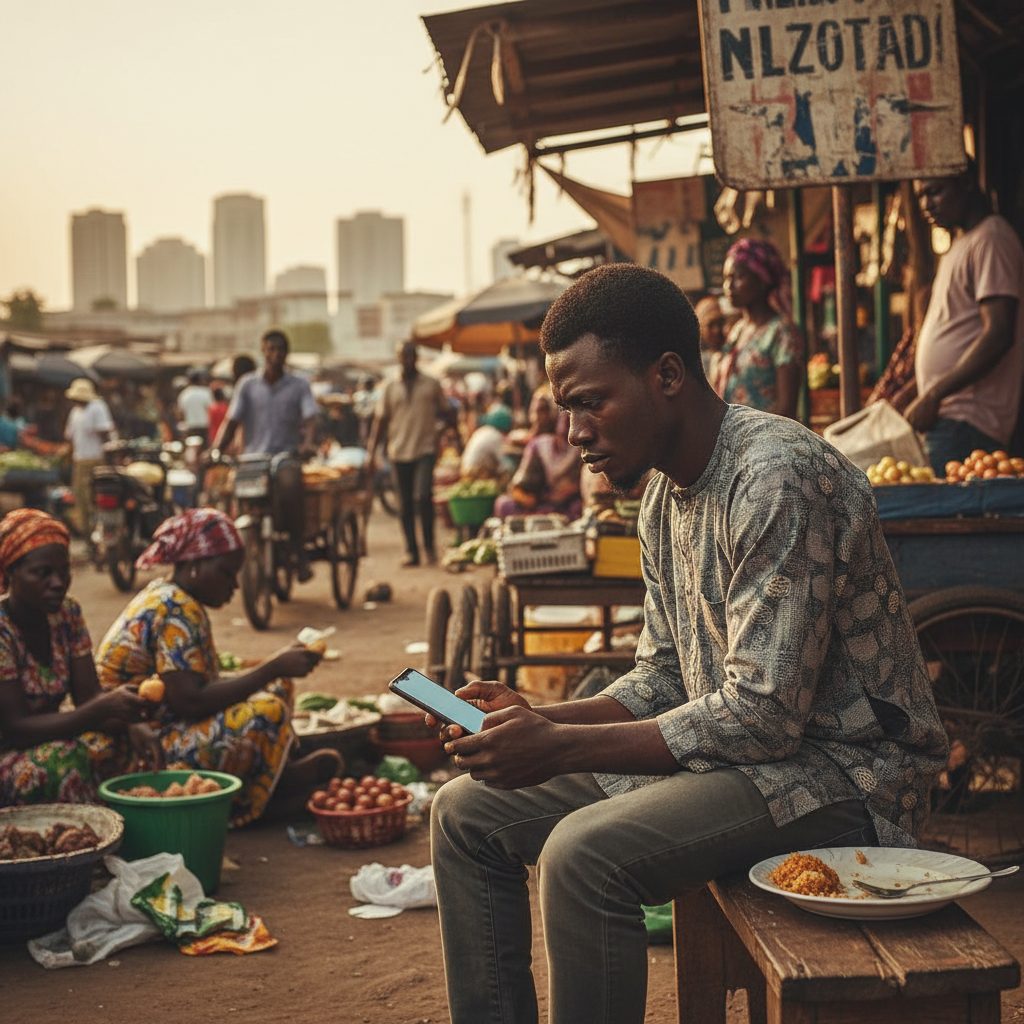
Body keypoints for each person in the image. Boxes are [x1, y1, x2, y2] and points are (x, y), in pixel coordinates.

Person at [429, 263, 949, 1024]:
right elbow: (663, 676)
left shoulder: (774, 478)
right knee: (462, 814)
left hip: (849, 776)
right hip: (749, 758)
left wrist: (560, 748)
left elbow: (763, 717)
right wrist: (540, 722)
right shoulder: (662, 500)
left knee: (583, 857)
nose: (574, 433)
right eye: (565, 410)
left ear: (667, 374)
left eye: (590, 403)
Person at [95, 508, 336, 826]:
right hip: (137, 748)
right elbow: (190, 702)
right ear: (194, 566)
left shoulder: (168, 594)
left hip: (157, 724)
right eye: (226, 572)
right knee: (268, 710)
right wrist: (271, 668)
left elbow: (191, 688)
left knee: (277, 688)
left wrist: (273, 672)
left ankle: (276, 775)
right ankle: (252, 802)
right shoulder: (175, 608)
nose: (234, 586)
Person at [0, 509, 155, 806]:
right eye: (43, 573)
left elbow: (88, 696)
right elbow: (16, 729)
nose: (58, 582)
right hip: (11, 752)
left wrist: (130, 721)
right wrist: (101, 710)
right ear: (10, 574)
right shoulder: (3, 629)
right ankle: (87, 839)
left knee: (124, 744)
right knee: (63, 758)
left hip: (50, 740)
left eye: (63, 571)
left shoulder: (67, 613)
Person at [904, 167, 1024, 473]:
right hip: (948, 420)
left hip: (967, 424)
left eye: (935, 191)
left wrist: (933, 394)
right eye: (920, 195)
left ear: (966, 183)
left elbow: (998, 334)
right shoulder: (962, 243)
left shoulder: (992, 239)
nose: (926, 204)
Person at [213, 330, 318, 582]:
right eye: (270, 349)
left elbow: (311, 418)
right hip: (253, 459)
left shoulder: (299, 384)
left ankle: (297, 548)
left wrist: (306, 446)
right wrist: (216, 450)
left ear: (286, 353)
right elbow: (232, 420)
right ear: (263, 351)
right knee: (232, 495)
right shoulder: (247, 384)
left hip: (285, 457)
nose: (275, 354)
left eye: (280, 349)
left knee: (292, 485)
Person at [367, 341, 453, 567]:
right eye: (403, 356)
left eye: (411, 355)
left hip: (425, 449)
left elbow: (446, 412)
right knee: (404, 505)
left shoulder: (431, 384)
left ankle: (429, 546)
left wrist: (444, 432)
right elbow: (380, 421)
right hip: (398, 452)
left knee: (422, 497)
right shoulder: (389, 387)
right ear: (398, 358)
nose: (407, 360)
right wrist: (371, 452)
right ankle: (412, 551)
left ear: (416, 357)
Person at [714, 237, 803, 419]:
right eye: (726, 278)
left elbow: (787, 411)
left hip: (766, 442)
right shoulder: (737, 331)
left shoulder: (781, 332)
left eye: (738, 277)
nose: (729, 286)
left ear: (762, 279)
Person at [493, 385, 582, 520]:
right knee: (503, 504)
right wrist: (528, 498)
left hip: (567, 507)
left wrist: (567, 492)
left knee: (578, 508)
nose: (537, 417)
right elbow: (520, 487)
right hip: (542, 506)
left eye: (543, 411)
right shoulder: (539, 445)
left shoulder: (581, 446)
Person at [63, 377, 115, 537]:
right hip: (80, 461)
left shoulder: (97, 407)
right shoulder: (75, 412)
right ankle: (87, 535)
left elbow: (106, 431)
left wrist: (111, 459)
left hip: (96, 460)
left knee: (96, 499)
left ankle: (102, 532)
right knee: (81, 499)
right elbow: (69, 436)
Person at [694, 294, 728, 381]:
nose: (716, 330)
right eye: (711, 325)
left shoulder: (729, 351)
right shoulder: (697, 361)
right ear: (701, 328)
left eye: (719, 323)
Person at [176, 368, 213, 445]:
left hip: (191, 428)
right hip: (205, 428)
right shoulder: (206, 392)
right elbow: (211, 410)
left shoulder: (184, 394)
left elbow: (180, 414)